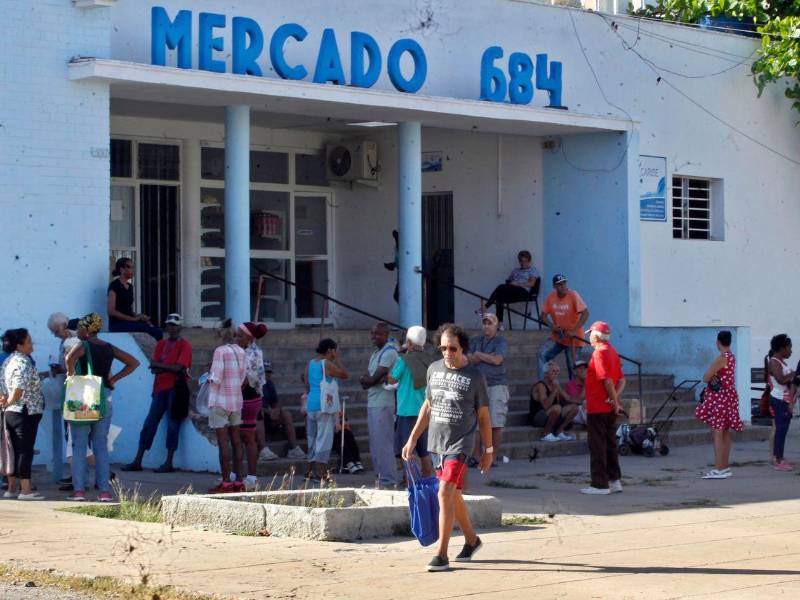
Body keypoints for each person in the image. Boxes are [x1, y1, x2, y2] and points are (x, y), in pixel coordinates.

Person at [402, 323, 492, 572]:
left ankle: (441, 554)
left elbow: (484, 416)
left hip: (461, 444)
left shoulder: (475, 376)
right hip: (436, 442)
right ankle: (472, 541)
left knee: (444, 493)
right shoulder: (433, 369)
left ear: (462, 347)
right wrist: (412, 439)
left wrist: (488, 450)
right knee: (453, 494)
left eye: (452, 348)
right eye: (443, 348)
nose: (447, 353)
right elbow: (428, 407)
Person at [64, 314, 140, 502]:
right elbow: (133, 362)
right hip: (104, 396)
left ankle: (79, 491)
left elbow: (69, 358)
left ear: (88, 330)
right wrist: (113, 379)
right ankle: (104, 492)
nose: (78, 331)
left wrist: (71, 375)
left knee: (79, 445)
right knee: (101, 446)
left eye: (81, 328)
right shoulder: (108, 347)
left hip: (83, 397)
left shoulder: (82, 345)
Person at [122, 313, 192, 474]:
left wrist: (162, 366)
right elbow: (156, 367)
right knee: (150, 423)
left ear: (180, 327)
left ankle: (168, 462)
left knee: (173, 425)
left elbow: (178, 368)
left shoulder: (185, 345)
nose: (172, 328)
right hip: (160, 388)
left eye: (175, 325)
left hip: (175, 388)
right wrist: (168, 367)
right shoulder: (161, 344)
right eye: (169, 324)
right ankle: (138, 460)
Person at [0, 328, 46, 500]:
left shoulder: (8, 361)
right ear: (19, 345)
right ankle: (25, 490)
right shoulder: (22, 362)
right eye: (28, 341)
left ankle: (11, 488)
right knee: (24, 451)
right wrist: (10, 400)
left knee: (11, 450)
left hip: (10, 413)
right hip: (25, 411)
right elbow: (18, 389)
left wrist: (5, 403)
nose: (31, 345)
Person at [580, 321, 625, 495]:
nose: (589, 337)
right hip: (606, 406)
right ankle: (614, 481)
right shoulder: (613, 352)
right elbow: (621, 380)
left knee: (597, 445)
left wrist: (614, 400)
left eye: (590, 334)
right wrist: (614, 400)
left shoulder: (599, 353)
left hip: (598, 407)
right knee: (610, 444)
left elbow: (606, 380)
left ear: (597, 336)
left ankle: (600, 484)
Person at [205, 319, 247, 493]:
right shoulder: (240, 351)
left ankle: (225, 482)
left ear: (220, 334)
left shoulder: (220, 351)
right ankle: (238, 481)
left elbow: (216, 377)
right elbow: (243, 377)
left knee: (223, 442)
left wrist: (207, 377)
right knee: (236, 441)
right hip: (236, 400)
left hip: (220, 401)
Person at [695, 330, 744, 479]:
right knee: (725, 432)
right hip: (729, 396)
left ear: (718, 342)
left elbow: (705, 377)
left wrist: (713, 375)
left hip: (719, 398)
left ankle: (718, 468)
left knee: (717, 431)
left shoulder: (721, 358)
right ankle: (724, 467)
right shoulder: (732, 357)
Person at [388, 325, 435, 477]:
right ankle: (428, 482)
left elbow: (391, 379)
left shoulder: (404, 360)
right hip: (425, 411)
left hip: (406, 411)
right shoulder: (430, 360)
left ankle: (411, 483)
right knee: (424, 451)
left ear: (408, 342)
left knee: (407, 449)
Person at [359, 322, 399, 488]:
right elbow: (370, 379)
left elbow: (373, 378)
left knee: (383, 443)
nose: (374, 337)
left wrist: (367, 380)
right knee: (375, 444)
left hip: (384, 403)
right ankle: (381, 477)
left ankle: (388, 480)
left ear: (385, 334)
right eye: (372, 333)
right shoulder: (377, 352)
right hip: (374, 402)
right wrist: (368, 380)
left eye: (377, 334)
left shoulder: (389, 352)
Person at [467, 313, 509, 465]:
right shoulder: (476, 340)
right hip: (478, 385)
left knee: (496, 422)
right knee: (477, 423)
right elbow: (467, 359)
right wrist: (485, 356)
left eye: (490, 323)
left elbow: (497, 360)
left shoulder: (501, 341)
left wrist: (478, 355)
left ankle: (491, 456)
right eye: (485, 323)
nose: (486, 326)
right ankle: (476, 456)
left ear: (496, 325)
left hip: (496, 385)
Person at [304, 338, 348, 482]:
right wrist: (338, 359)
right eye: (336, 350)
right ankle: (320, 474)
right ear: (330, 350)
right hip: (324, 407)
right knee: (324, 440)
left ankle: (309, 473)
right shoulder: (326, 364)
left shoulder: (310, 363)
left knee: (312, 439)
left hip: (311, 405)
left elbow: (306, 383)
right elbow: (345, 375)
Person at [43, 312, 76, 482]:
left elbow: (75, 367)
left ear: (63, 326)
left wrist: (60, 370)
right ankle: (75, 473)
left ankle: (81, 475)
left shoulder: (73, 341)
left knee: (76, 436)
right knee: (69, 435)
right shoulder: (64, 342)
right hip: (65, 391)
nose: (55, 335)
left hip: (75, 392)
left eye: (55, 331)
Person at [537, 274, 589, 381]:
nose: (563, 286)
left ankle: (575, 393)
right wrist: (552, 326)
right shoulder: (551, 297)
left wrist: (574, 331)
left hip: (573, 339)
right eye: (559, 284)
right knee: (541, 354)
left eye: (564, 283)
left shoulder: (573, 295)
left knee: (573, 368)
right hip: (558, 336)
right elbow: (543, 316)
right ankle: (543, 385)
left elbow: (586, 313)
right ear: (554, 286)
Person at [239, 322, 268, 491]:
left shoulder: (251, 353)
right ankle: (238, 474)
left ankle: (251, 476)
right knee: (238, 438)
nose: (237, 338)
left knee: (248, 438)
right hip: (246, 398)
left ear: (249, 337)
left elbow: (245, 379)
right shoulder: (246, 351)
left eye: (240, 335)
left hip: (248, 398)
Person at [257, 361, 306, 461]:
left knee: (286, 414)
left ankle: (293, 448)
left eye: (269, 373)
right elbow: (250, 405)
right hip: (255, 417)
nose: (267, 375)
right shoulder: (252, 384)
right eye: (265, 372)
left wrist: (277, 411)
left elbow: (275, 403)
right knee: (259, 413)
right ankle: (262, 450)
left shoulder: (269, 384)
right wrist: (268, 411)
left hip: (268, 417)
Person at [107, 257, 162, 340]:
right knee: (151, 331)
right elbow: (111, 311)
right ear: (121, 270)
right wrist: (133, 319)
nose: (133, 270)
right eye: (129, 267)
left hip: (129, 321)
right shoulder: (114, 286)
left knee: (156, 329)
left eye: (133, 267)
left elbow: (126, 309)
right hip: (117, 324)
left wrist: (138, 316)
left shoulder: (130, 287)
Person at [483, 250, 539, 324]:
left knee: (500, 287)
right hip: (513, 291)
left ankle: (485, 307)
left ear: (529, 261)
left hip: (524, 291)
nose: (523, 263)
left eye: (525, 261)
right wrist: (510, 283)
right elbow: (509, 281)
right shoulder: (515, 270)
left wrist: (518, 284)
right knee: (500, 298)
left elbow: (531, 283)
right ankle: (500, 323)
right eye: (521, 261)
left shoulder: (532, 270)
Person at [766, 334, 795, 472]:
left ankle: (780, 457)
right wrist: (795, 374)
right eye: (789, 348)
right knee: (780, 430)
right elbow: (781, 379)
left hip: (785, 400)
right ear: (782, 348)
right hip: (779, 400)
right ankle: (778, 459)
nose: (791, 351)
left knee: (782, 430)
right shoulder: (774, 362)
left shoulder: (781, 361)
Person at [529, 361, 578, 442]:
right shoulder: (540, 386)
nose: (556, 374)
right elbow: (545, 406)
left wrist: (583, 397)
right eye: (553, 371)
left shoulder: (555, 385)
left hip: (553, 414)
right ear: (545, 373)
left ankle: (559, 431)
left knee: (574, 408)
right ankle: (545, 434)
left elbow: (568, 398)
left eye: (557, 371)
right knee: (557, 408)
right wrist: (554, 391)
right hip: (538, 416)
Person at [564, 359, 588, 426]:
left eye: (585, 368)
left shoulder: (591, 383)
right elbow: (578, 400)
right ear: (574, 372)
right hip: (577, 412)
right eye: (580, 368)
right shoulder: (570, 385)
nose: (583, 371)